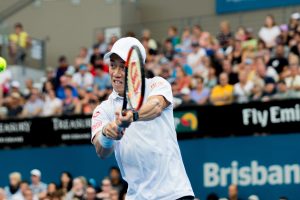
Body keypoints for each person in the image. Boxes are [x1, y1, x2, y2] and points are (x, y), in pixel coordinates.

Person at [91, 37, 194, 200]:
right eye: (112, 66)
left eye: (122, 67)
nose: (116, 73)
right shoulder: (103, 109)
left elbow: (156, 106)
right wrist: (107, 134)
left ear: (136, 69)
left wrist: (133, 116)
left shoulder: (157, 85)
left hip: (174, 193)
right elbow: (102, 151)